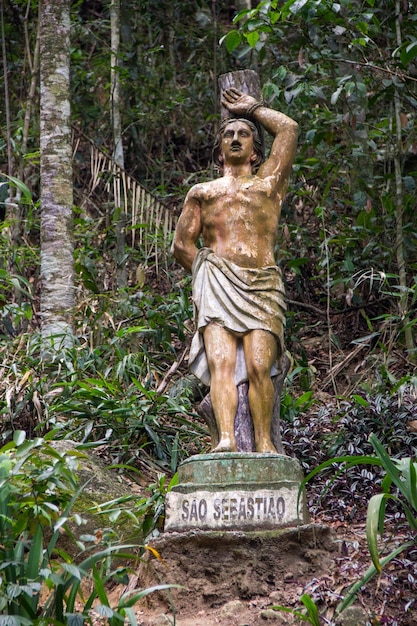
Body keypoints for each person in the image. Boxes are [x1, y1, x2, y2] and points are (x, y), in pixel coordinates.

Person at [172, 87, 298, 453]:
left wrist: (251, 108)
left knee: (261, 366)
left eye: (244, 134)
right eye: (229, 134)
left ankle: (264, 444)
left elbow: (288, 129)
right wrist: (207, 270)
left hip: (262, 285)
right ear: (219, 151)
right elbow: (182, 244)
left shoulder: (269, 185)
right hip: (217, 283)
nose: (236, 138)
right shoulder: (203, 192)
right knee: (221, 364)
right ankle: (226, 438)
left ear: (257, 150)